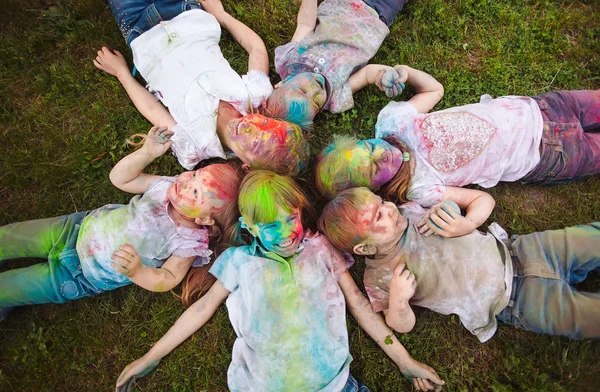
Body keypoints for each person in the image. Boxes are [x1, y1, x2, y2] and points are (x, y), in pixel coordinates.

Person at [114, 171, 445, 392]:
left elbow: (359, 305)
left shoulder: (321, 250)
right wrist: (150, 356)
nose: (287, 231)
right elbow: (202, 309)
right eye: (272, 225)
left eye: (291, 218)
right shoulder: (239, 262)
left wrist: (405, 362)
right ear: (250, 227)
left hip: (338, 390)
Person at [315, 64, 600, 236]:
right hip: (546, 155)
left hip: (541, 108)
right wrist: (466, 224)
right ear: (373, 189)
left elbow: (433, 91)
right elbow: (480, 199)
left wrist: (408, 73)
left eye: (367, 146)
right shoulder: (418, 187)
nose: (380, 153)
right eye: (373, 167)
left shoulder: (392, 123)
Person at [0, 126, 242, 319]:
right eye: (196, 174)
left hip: (79, 275)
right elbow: (120, 179)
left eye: (196, 193)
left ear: (203, 219)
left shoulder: (188, 242)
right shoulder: (166, 187)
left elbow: (168, 278)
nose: (186, 182)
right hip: (73, 230)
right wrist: (147, 152)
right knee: (9, 237)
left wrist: (138, 272)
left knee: (9, 288)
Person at [319, 187, 600, 342]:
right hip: (514, 301)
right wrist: (399, 301)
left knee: (591, 240)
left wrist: (455, 215)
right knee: (589, 317)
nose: (390, 208)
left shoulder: (411, 210)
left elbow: (470, 203)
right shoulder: (379, 277)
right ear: (365, 248)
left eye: (382, 201)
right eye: (379, 216)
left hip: (523, 250)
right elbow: (399, 326)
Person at [95, 0, 308, 175]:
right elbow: (256, 49)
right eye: (264, 124)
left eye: (253, 144)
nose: (250, 127)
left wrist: (121, 73)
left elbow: (152, 110)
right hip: (185, 12)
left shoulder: (193, 146)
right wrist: (221, 15)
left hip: (141, 33)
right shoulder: (255, 95)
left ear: (247, 166)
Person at [266, 0, 410, 129]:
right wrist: (383, 74)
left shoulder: (288, 61)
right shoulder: (335, 98)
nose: (316, 90)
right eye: (316, 102)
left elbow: (305, 25)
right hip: (376, 13)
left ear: (283, 82)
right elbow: (366, 75)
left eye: (303, 91)